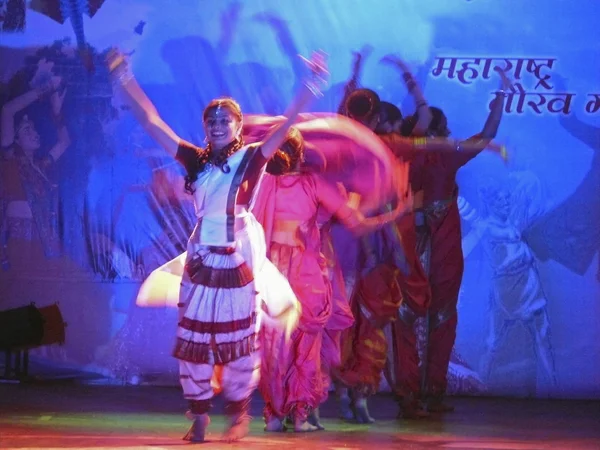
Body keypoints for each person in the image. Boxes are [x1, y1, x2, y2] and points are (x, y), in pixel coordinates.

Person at [106, 48, 328, 442]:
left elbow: (288, 122)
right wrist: (125, 78)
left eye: (226, 119)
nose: (218, 124)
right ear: (204, 126)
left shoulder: (252, 158)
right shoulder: (195, 160)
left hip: (238, 258)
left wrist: (311, 84)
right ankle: (200, 413)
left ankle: (239, 411)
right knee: (194, 341)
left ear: (239, 126)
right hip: (201, 259)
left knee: (239, 340)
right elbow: (151, 120)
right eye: (211, 120)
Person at [252, 127, 411, 432]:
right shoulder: (313, 184)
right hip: (303, 273)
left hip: (271, 271)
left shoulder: (264, 183)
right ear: (303, 154)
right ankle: (300, 416)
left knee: (274, 343)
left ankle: (274, 415)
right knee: (305, 343)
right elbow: (358, 225)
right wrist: (399, 211)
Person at [388, 68, 513, 415]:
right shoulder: (443, 153)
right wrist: (501, 95)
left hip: (416, 239)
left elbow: (485, 136)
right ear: (441, 132)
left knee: (413, 315)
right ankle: (428, 392)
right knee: (438, 315)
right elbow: (488, 134)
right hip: (434, 239)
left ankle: (412, 394)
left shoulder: (406, 153)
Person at [0, 58, 70, 274]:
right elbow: (8, 111)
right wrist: (46, 88)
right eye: (27, 130)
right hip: (16, 242)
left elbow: (64, 143)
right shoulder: (11, 159)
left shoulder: (41, 166)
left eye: (35, 130)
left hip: (42, 242)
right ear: (16, 140)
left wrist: (56, 111)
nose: (35, 133)